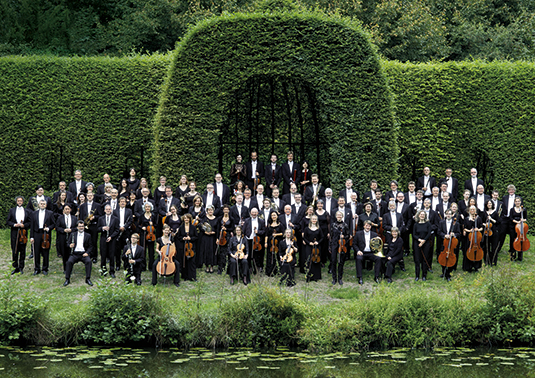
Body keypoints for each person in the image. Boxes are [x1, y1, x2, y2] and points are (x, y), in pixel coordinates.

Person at [63, 221, 93, 286]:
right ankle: (67, 279)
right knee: (69, 262)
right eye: (80, 226)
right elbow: (67, 243)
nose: (81, 228)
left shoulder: (88, 235)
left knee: (89, 262)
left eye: (82, 226)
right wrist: (70, 245)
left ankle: (88, 279)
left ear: (84, 227)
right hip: (75, 254)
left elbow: (91, 246)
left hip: (83, 254)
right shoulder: (73, 234)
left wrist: (87, 253)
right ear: (77, 227)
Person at [6, 196, 31, 274]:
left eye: (21, 201)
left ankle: (21, 267)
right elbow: (8, 221)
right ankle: (15, 267)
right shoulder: (12, 210)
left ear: (23, 202)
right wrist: (14, 225)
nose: (19, 202)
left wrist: (24, 225)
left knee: (22, 251)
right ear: (16, 202)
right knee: (15, 250)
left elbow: (30, 222)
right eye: (18, 201)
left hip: (23, 232)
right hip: (15, 232)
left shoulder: (27, 211)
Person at [30, 199, 55, 275]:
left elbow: (53, 224)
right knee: (36, 251)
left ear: (46, 205)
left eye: (44, 204)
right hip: (37, 233)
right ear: (38, 204)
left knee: (45, 252)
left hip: (45, 234)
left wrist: (48, 228)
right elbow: (32, 226)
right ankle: (37, 269)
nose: (42, 205)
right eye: (41, 204)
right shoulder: (34, 213)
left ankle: (45, 268)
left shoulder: (50, 213)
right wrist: (31, 237)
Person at [354, 220, 382, 284]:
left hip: (371, 252)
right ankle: (360, 277)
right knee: (358, 259)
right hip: (362, 252)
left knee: (378, 258)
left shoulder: (374, 234)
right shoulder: (358, 233)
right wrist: (358, 251)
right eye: (366, 225)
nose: (367, 227)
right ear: (364, 226)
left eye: (369, 226)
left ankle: (376, 277)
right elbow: (354, 244)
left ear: (371, 227)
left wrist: (378, 241)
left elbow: (377, 245)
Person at [437, 209, 461, 281]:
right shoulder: (441, 222)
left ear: (452, 215)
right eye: (447, 214)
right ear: (445, 215)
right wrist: (444, 235)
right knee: (442, 257)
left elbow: (458, 233)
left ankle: (448, 274)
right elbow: (439, 232)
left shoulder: (456, 224)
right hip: (443, 243)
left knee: (451, 258)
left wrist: (454, 234)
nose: (448, 215)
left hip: (452, 243)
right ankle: (443, 272)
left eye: (449, 214)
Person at [97, 204, 119, 278]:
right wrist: (103, 228)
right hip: (103, 239)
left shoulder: (115, 219)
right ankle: (103, 271)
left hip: (112, 239)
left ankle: (112, 271)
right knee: (103, 256)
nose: (108, 210)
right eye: (107, 209)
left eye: (109, 209)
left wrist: (111, 237)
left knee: (112, 256)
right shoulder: (101, 218)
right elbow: (97, 229)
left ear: (111, 210)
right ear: (104, 210)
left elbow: (117, 230)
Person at [78, 192, 100, 263]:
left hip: (94, 225)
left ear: (93, 196)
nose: (90, 197)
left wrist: (94, 217)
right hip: (85, 226)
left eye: (91, 196)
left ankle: (94, 256)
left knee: (94, 241)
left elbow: (100, 215)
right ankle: (87, 255)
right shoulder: (82, 205)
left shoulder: (97, 205)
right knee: (86, 241)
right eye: (88, 196)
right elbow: (81, 216)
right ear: (86, 197)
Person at [242, 207, 265, 274]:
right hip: (249, 239)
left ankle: (257, 268)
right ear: (250, 213)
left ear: (257, 213)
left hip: (257, 240)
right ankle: (249, 267)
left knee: (257, 255)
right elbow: (243, 230)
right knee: (248, 254)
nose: (254, 214)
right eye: (253, 212)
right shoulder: (247, 220)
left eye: (255, 212)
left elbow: (264, 231)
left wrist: (258, 232)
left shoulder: (261, 221)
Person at [55, 204, 78, 272]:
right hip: (63, 237)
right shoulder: (60, 218)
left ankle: (70, 267)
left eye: (68, 209)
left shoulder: (74, 218)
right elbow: (57, 227)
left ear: (70, 210)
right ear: (63, 210)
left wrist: (71, 230)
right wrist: (63, 230)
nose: (67, 210)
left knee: (71, 253)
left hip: (71, 237)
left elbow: (77, 228)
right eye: (66, 209)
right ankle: (65, 268)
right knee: (64, 254)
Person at [177, 213, 198, 281]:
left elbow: (196, 237)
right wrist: (183, 238)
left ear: (189, 219)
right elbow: (178, 236)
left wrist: (190, 238)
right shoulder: (181, 227)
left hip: (191, 247)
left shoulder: (193, 227)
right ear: (183, 219)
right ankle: (185, 276)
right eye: (185, 218)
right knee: (184, 261)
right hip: (183, 246)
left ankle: (192, 276)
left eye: (187, 218)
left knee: (192, 262)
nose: (186, 219)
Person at [413, 210, 433, 281]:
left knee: (425, 259)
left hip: (426, 243)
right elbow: (414, 234)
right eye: (421, 214)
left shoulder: (428, 224)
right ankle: (417, 276)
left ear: (425, 216)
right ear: (418, 215)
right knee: (417, 260)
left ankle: (424, 275)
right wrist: (419, 240)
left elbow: (429, 233)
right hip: (417, 243)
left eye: (423, 214)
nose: (422, 216)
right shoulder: (415, 224)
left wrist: (423, 240)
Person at [331, 211, 350, 285]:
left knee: (341, 262)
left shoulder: (345, 225)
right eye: (338, 215)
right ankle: (334, 278)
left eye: (340, 215)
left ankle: (340, 278)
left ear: (342, 216)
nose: (339, 216)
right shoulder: (333, 225)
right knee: (333, 261)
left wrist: (344, 237)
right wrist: (330, 246)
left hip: (342, 245)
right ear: (336, 216)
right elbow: (331, 236)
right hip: (334, 244)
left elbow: (348, 236)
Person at [303, 214, 324, 282]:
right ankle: (308, 276)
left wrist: (318, 242)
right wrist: (309, 243)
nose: (314, 220)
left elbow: (322, 237)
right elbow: (304, 237)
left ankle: (316, 276)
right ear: (311, 220)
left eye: (315, 219)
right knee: (309, 260)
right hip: (309, 246)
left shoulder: (319, 228)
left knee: (316, 261)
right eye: (313, 219)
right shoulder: (307, 228)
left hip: (317, 247)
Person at [462, 205, 483, 272]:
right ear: (469, 211)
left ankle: (476, 267)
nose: (472, 211)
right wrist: (470, 231)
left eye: (474, 209)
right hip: (469, 237)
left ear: (475, 211)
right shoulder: (466, 219)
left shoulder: (478, 218)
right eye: (471, 209)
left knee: (477, 251)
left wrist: (478, 229)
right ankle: (468, 267)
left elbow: (482, 227)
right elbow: (464, 228)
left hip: (477, 237)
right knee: (468, 250)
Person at [138, 202, 157, 271]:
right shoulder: (141, 216)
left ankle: (151, 267)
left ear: (151, 208)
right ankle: (143, 266)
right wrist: (142, 227)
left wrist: (153, 225)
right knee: (143, 251)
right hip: (144, 234)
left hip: (151, 235)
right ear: (144, 208)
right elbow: (138, 225)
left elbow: (156, 225)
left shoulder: (153, 216)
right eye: (146, 207)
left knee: (151, 251)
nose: (147, 208)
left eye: (149, 207)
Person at [200, 205, 219, 273]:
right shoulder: (204, 218)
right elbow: (201, 227)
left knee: (212, 251)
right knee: (206, 251)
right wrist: (205, 232)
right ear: (207, 211)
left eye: (211, 210)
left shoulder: (216, 219)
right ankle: (207, 267)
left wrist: (216, 236)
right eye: (209, 210)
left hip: (213, 238)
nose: (210, 211)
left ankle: (212, 267)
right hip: (206, 237)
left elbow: (218, 229)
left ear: (213, 211)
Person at [265, 210, 283, 277]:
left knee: (278, 256)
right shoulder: (269, 225)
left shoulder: (280, 224)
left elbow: (283, 233)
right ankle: (270, 271)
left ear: (277, 216)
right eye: (272, 215)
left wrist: (277, 234)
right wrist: (265, 242)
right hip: (270, 243)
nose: (273, 216)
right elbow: (266, 234)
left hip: (278, 243)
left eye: (275, 215)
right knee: (270, 256)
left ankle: (278, 270)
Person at [216, 205, 233, 275]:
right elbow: (217, 229)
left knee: (228, 253)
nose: (226, 211)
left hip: (228, 237)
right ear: (223, 211)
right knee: (221, 254)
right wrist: (217, 238)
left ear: (229, 210)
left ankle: (228, 269)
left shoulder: (231, 219)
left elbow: (232, 228)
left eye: (227, 210)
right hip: (221, 238)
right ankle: (220, 268)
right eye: (224, 210)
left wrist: (226, 229)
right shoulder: (220, 218)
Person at [510, 197, 528, 262]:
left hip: (521, 227)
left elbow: (526, 218)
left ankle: (520, 257)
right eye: (516, 201)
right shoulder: (512, 209)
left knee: (521, 242)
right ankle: (512, 256)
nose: (517, 202)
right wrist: (517, 222)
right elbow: (511, 218)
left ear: (520, 202)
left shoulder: (523, 209)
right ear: (514, 202)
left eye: (518, 201)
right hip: (513, 227)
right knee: (513, 241)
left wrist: (522, 220)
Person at [482, 199, 498, 266]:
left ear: (492, 204)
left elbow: (498, 222)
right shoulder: (484, 212)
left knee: (493, 247)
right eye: (488, 203)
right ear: (486, 205)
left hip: (493, 231)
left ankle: (493, 261)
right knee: (486, 246)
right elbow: (481, 221)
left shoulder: (495, 212)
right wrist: (484, 224)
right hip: (486, 231)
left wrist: (491, 219)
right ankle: (486, 260)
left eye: (490, 203)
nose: (489, 205)